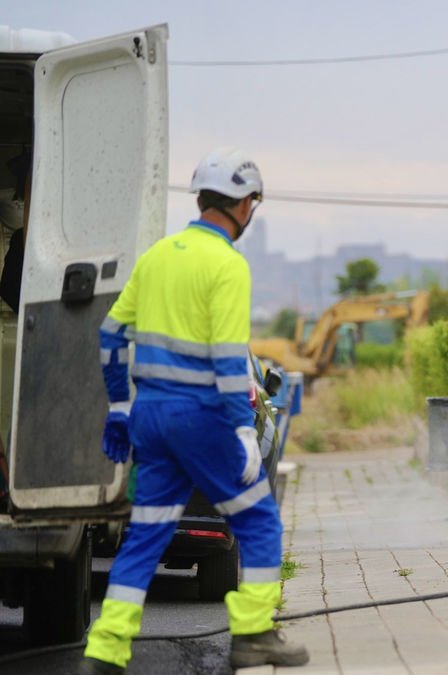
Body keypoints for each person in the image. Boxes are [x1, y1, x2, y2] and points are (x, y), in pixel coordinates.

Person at [80, 148, 309, 674]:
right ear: (245, 205)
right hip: (202, 421)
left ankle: (106, 650)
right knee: (259, 521)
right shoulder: (227, 264)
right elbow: (230, 361)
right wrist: (244, 430)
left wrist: (119, 408)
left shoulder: (158, 255)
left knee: (147, 534)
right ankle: (253, 635)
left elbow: (110, 335)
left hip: (151, 422)